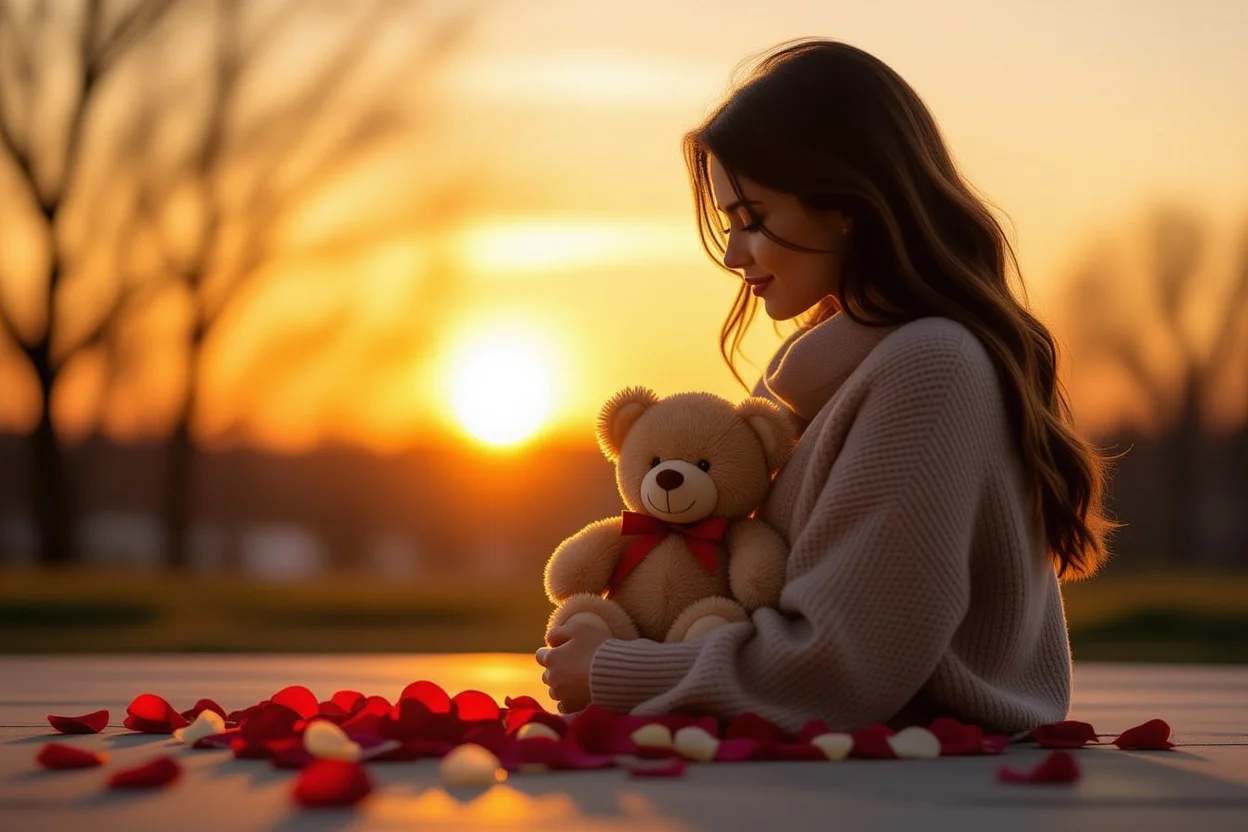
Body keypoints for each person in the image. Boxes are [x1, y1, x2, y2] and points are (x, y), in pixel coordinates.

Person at [535, 38, 1115, 736]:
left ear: (845, 206)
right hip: (852, 754)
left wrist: (618, 670)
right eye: (728, 223)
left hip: (922, 769)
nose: (732, 254)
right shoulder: (816, 377)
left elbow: (844, 665)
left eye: (753, 219)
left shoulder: (931, 369)